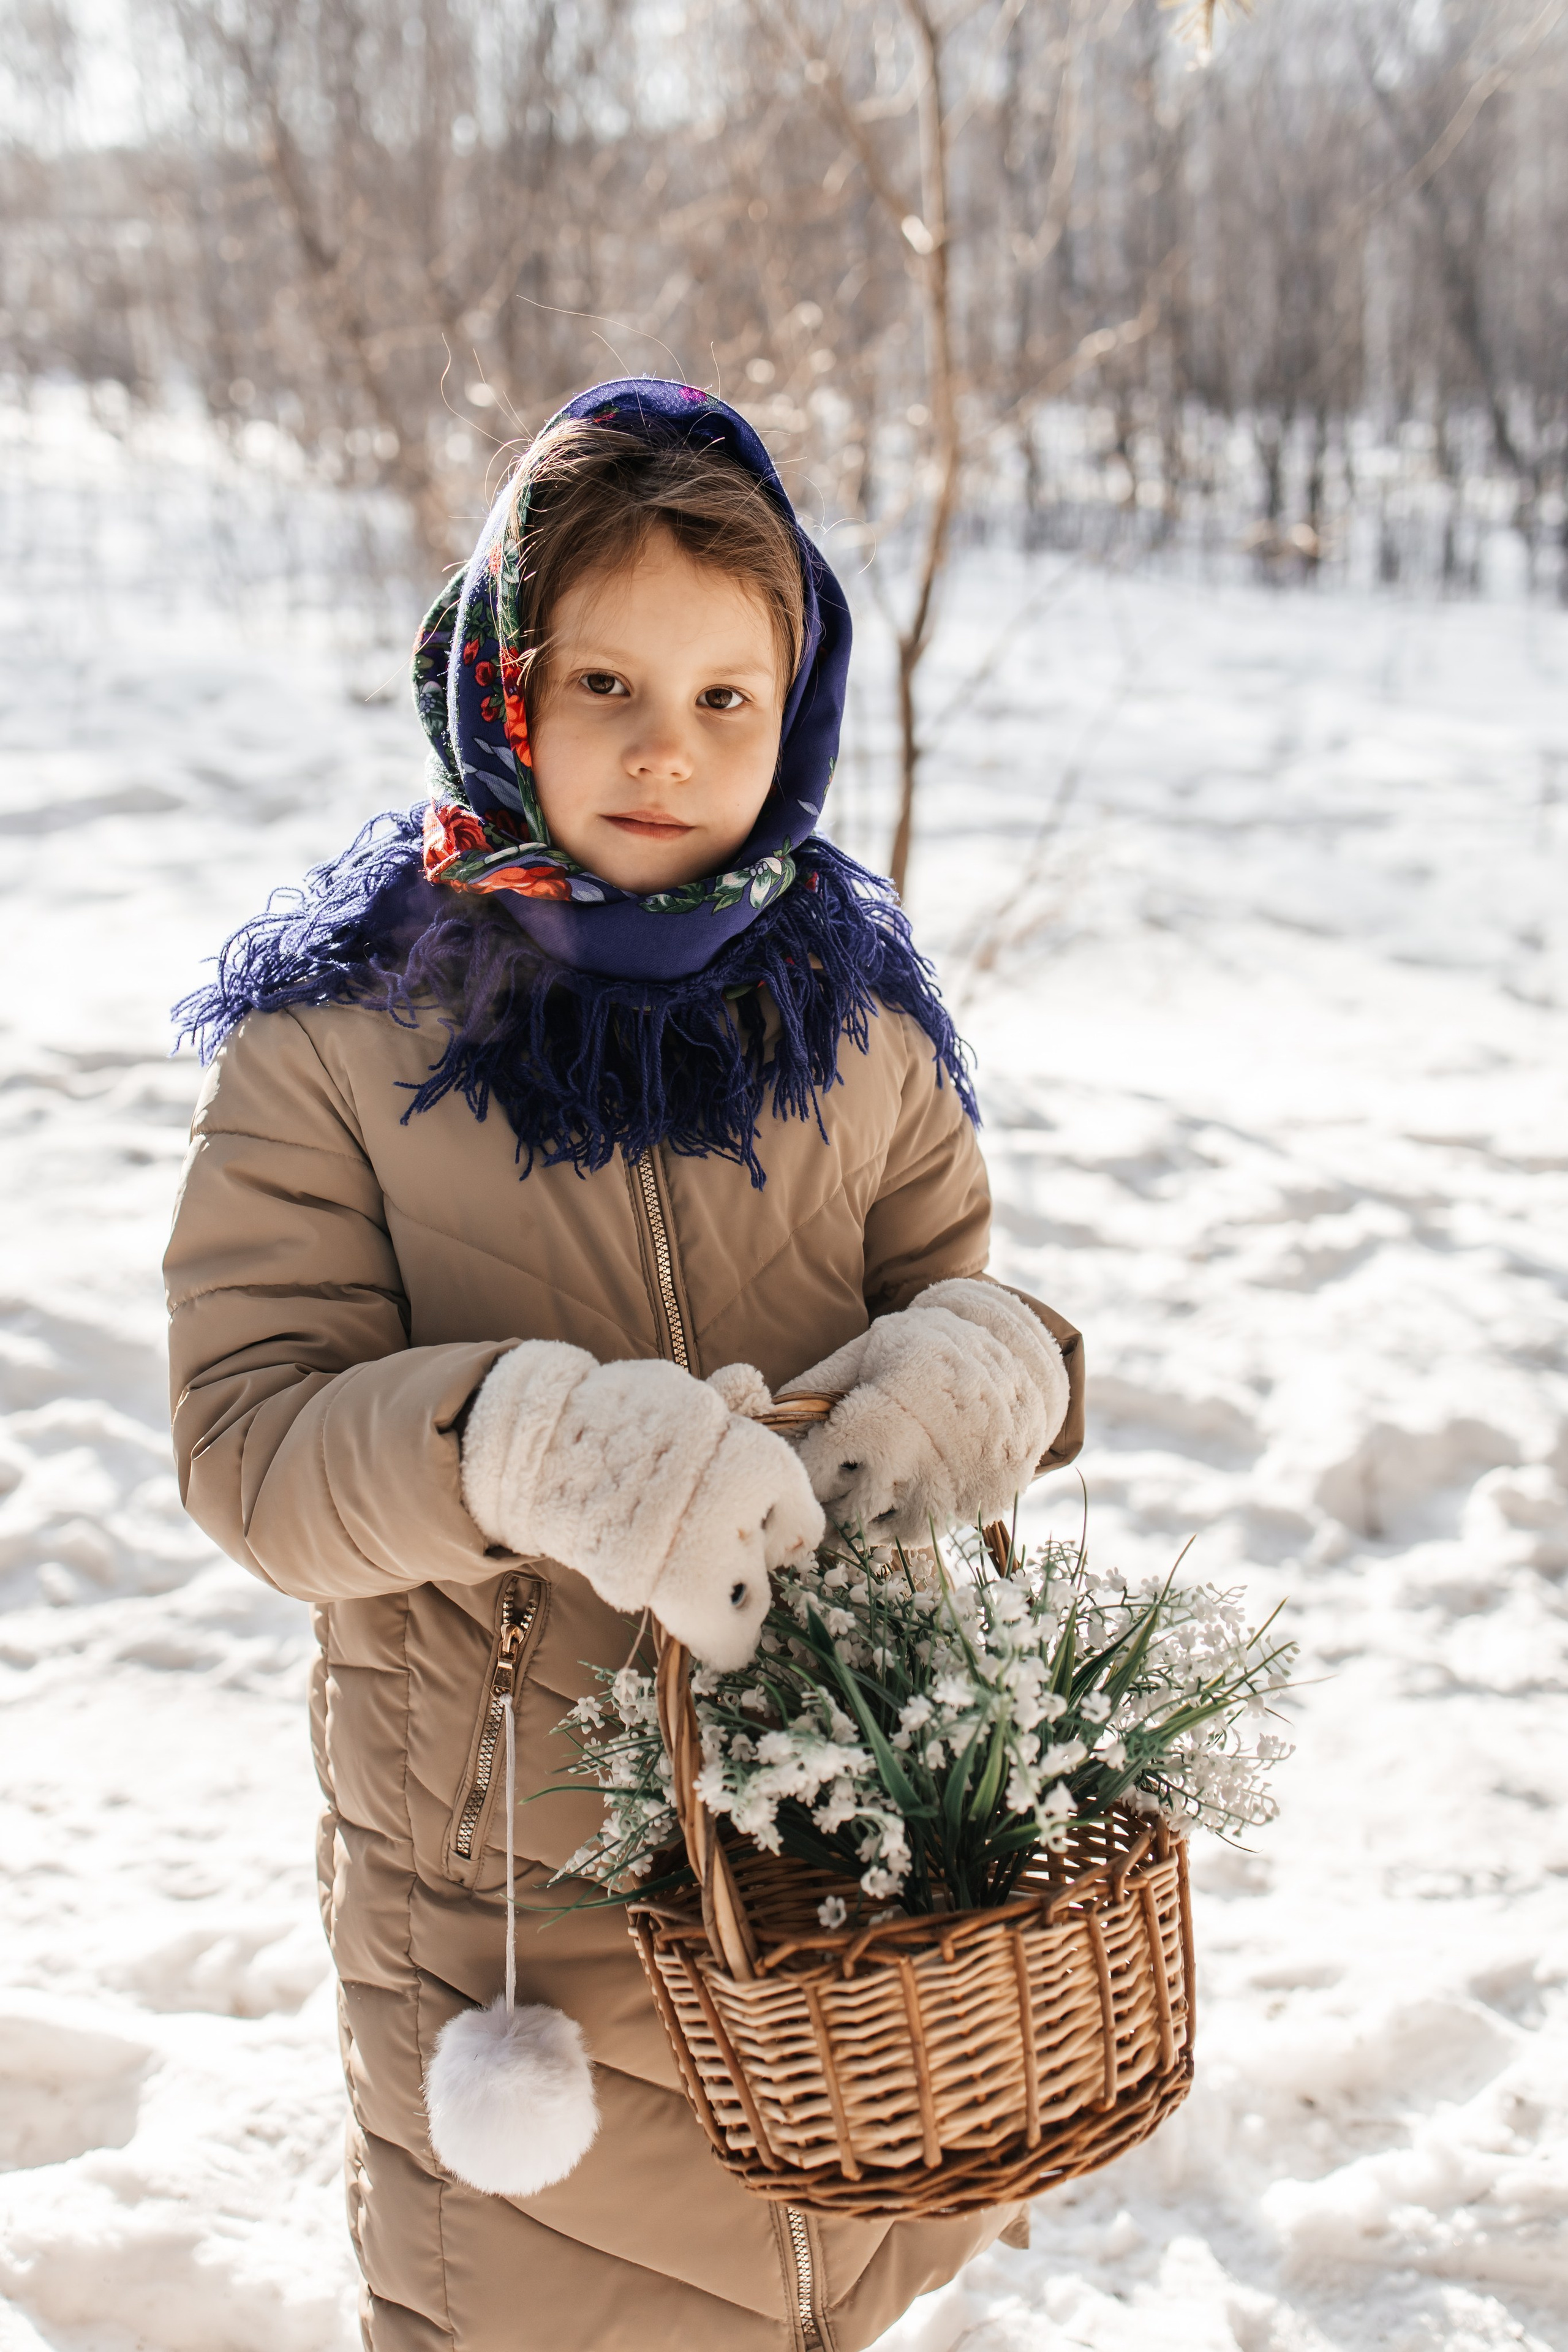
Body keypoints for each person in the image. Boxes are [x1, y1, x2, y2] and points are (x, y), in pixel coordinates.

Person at [165, 378, 1085, 2352]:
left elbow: (954, 1296)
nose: (669, 750)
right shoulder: (342, 1042)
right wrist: (521, 1446)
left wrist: (981, 1378)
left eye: (726, 696)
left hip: (835, 1869)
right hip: (524, 1903)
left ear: (795, 707)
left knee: (839, 2283)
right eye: (606, 685)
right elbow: (252, 1449)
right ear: (502, 686)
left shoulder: (858, 1026)